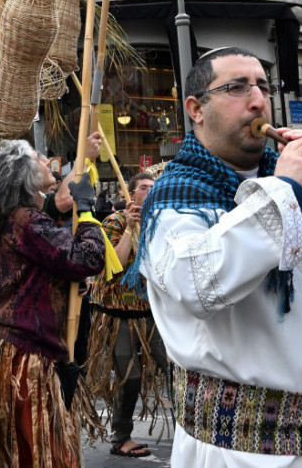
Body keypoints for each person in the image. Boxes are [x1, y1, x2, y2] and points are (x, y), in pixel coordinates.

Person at [135, 47, 302, 467]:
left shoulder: (291, 182)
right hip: (240, 451)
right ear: (196, 109)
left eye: (263, 87)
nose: (257, 101)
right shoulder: (172, 197)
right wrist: (285, 188)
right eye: (237, 88)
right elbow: (196, 285)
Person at [0, 139, 107, 468]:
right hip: (27, 358)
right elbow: (87, 257)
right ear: (25, 175)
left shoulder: (11, 219)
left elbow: (34, 272)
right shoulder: (26, 221)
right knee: (45, 457)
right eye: (39, 158)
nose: (47, 161)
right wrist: (87, 210)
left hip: (13, 351)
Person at [83, 171, 168, 458]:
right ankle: (122, 437)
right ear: (130, 195)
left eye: (153, 187)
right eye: (143, 187)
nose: (149, 191)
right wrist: (131, 227)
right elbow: (115, 266)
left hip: (150, 313)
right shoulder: (115, 221)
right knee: (128, 378)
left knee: (170, 366)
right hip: (118, 315)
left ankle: (188, 429)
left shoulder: (159, 224)